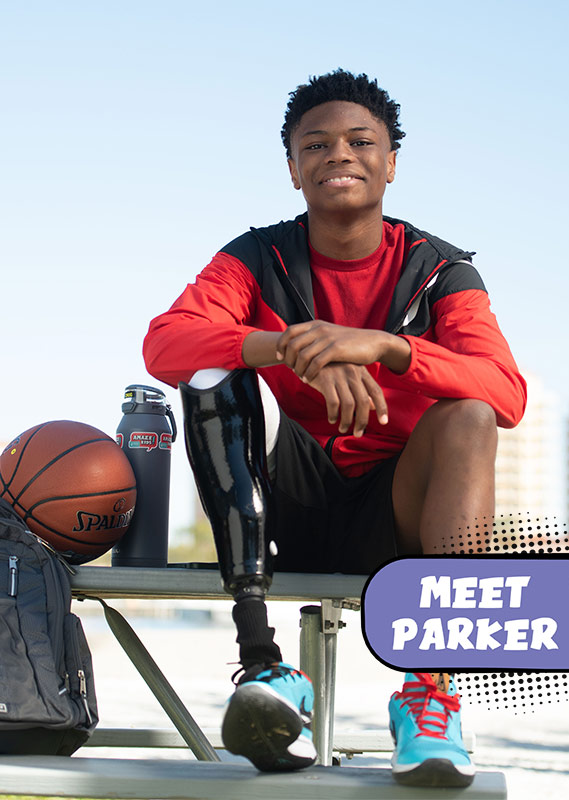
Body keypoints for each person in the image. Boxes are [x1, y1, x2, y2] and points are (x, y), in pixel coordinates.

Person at [143, 69, 526, 787]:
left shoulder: (440, 270)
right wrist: (296, 347)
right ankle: (263, 666)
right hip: (283, 504)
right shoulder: (256, 257)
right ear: (294, 169)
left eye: (360, 141)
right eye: (315, 144)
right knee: (211, 372)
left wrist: (385, 347)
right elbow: (166, 344)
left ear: (390, 162)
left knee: (470, 415)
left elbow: (505, 392)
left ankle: (429, 694)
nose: (338, 154)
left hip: (396, 516)